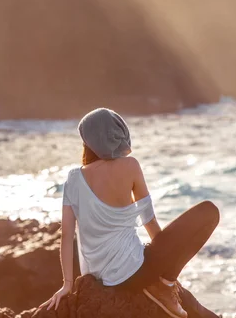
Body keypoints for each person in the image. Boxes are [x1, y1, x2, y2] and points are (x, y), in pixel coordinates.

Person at [40, 108, 220, 318]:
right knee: (209, 211)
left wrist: (67, 285)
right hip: (135, 271)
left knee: (191, 303)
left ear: (88, 141)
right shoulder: (130, 166)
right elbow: (149, 220)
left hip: (98, 275)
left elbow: (66, 235)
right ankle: (166, 285)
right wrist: (165, 262)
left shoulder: (73, 178)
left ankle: (168, 288)